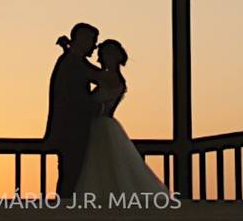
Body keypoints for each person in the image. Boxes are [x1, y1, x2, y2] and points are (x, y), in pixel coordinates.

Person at [73, 39, 169, 198]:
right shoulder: (109, 76)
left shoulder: (109, 77)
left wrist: (72, 51)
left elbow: (86, 71)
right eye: (103, 55)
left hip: (102, 125)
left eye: (107, 55)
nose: (104, 59)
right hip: (102, 125)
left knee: (103, 164)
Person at [44, 22, 102, 197]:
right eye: (93, 41)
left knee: (71, 174)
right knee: (72, 175)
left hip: (72, 130)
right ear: (83, 40)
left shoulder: (73, 60)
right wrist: (99, 107)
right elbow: (76, 97)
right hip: (72, 131)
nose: (94, 46)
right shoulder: (73, 63)